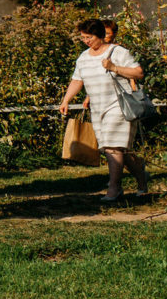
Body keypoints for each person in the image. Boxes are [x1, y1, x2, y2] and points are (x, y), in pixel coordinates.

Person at [59, 17, 149, 203]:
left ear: (100, 35)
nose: (86, 41)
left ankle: (114, 188)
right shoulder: (83, 57)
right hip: (98, 108)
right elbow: (78, 80)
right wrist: (66, 99)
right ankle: (141, 176)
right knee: (117, 150)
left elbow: (138, 72)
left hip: (119, 106)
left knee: (112, 147)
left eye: (89, 37)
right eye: (83, 37)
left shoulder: (118, 52)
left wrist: (114, 67)